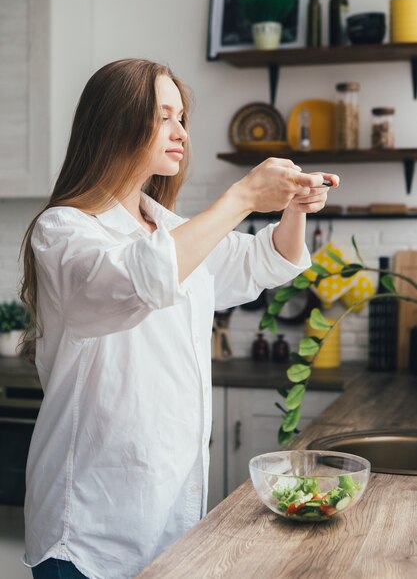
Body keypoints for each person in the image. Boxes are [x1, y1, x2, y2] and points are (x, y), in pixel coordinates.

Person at [20, 58, 339, 579]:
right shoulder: (64, 230)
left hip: (170, 519)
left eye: (183, 118)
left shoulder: (166, 226)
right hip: (89, 528)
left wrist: (294, 209)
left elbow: (261, 262)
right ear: (117, 121)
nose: (181, 133)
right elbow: (139, 279)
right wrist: (241, 198)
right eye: (165, 116)